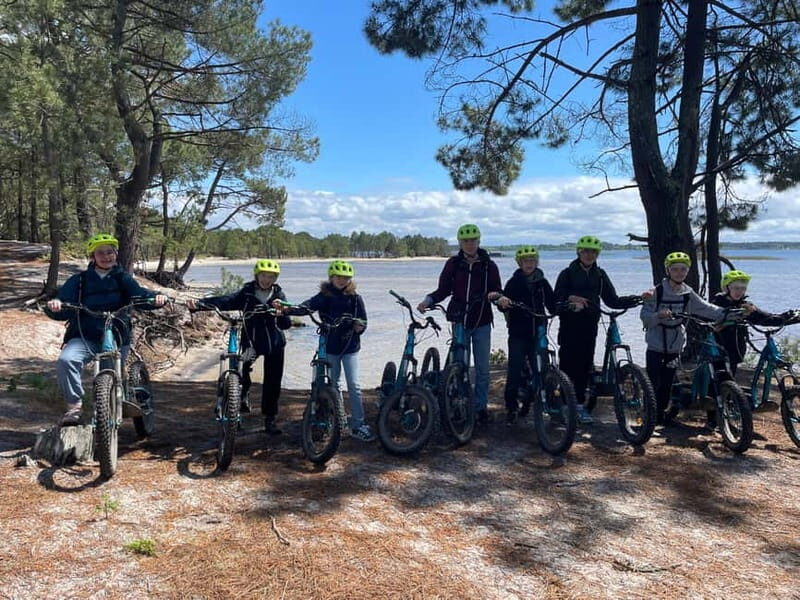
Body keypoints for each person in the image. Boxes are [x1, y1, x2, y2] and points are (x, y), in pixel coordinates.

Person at [45, 233, 168, 426]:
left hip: (117, 336)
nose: (106, 256)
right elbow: (63, 299)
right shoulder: (79, 280)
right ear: (92, 257)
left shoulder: (123, 278)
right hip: (85, 335)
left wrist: (157, 298)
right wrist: (56, 304)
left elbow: (140, 295)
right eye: (100, 253)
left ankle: (122, 399)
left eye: (110, 252)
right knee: (66, 360)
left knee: (113, 372)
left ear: (115, 254)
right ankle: (74, 407)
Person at [187, 259, 291, 435]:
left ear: (275, 278)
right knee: (241, 372)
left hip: (275, 344)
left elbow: (286, 324)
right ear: (257, 275)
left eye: (271, 276)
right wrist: (199, 305)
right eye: (264, 275)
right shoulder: (247, 293)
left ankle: (270, 419)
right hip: (252, 343)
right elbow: (226, 300)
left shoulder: (279, 295)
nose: (267, 279)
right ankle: (238, 403)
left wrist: (281, 313)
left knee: (273, 383)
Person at [278, 260, 375, 442]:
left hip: (350, 346)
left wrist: (359, 327)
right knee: (334, 385)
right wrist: (286, 309)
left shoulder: (355, 298)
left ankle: (359, 424)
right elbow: (306, 307)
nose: (342, 280)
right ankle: (337, 419)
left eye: (345, 278)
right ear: (331, 277)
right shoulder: (324, 296)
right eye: (338, 277)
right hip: (330, 345)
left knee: (354, 385)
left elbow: (364, 320)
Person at [417, 223, 503, 425]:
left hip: (481, 320)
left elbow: (497, 290)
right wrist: (428, 301)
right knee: (459, 366)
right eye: (466, 241)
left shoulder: (489, 265)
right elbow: (443, 290)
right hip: (459, 320)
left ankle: (480, 408)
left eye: (473, 240)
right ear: (460, 243)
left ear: (479, 241)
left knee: (482, 369)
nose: (470, 244)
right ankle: (457, 404)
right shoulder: (453, 264)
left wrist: (496, 296)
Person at [553, 236, 641, 425]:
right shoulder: (567, 273)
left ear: (597, 254)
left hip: (590, 324)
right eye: (585, 251)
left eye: (593, 252)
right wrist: (571, 298)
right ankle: (565, 404)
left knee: (585, 365)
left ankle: (580, 405)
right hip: (569, 325)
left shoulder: (600, 275)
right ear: (579, 252)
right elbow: (556, 300)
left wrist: (637, 299)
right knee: (568, 364)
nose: (589, 255)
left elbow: (612, 300)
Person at [640, 251, 728, 427]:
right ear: (668, 270)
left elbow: (706, 308)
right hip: (656, 343)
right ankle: (647, 414)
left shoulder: (688, 293)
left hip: (675, 344)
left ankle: (660, 414)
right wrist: (659, 315)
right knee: (652, 381)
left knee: (667, 381)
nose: (679, 273)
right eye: (675, 269)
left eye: (683, 269)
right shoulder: (655, 292)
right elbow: (645, 317)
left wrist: (727, 313)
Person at [709, 269, 798, 420]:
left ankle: (729, 413)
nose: (739, 291)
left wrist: (788, 317)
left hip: (736, 350)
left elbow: (765, 318)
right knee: (719, 382)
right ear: (727, 288)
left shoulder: (746, 306)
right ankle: (713, 419)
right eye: (736, 288)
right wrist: (729, 317)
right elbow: (710, 320)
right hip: (718, 348)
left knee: (730, 381)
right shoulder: (717, 303)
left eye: (742, 288)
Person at [495, 246, 556, 425]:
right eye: (525, 261)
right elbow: (502, 302)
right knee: (514, 370)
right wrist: (503, 302)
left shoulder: (542, 282)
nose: (529, 264)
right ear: (520, 263)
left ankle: (548, 403)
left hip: (538, 330)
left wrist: (563, 306)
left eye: (532, 261)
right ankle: (511, 407)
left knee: (543, 369)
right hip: (518, 333)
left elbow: (552, 304)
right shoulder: (514, 282)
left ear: (536, 262)